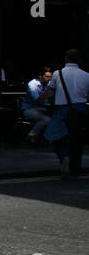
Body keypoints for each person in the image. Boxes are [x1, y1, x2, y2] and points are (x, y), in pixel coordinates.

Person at [41, 49, 87, 177]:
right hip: (80, 111)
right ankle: (75, 167)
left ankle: (64, 156)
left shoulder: (57, 74)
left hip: (62, 111)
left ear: (66, 58)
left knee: (56, 137)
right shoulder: (86, 75)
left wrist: (39, 100)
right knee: (77, 141)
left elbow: (50, 92)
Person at [22, 66, 54, 142]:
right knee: (47, 119)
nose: (49, 79)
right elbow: (38, 100)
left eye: (50, 77)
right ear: (40, 76)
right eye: (47, 76)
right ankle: (31, 135)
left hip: (42, 109)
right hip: (29, 109)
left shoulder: (49, 84)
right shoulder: (32, 84)